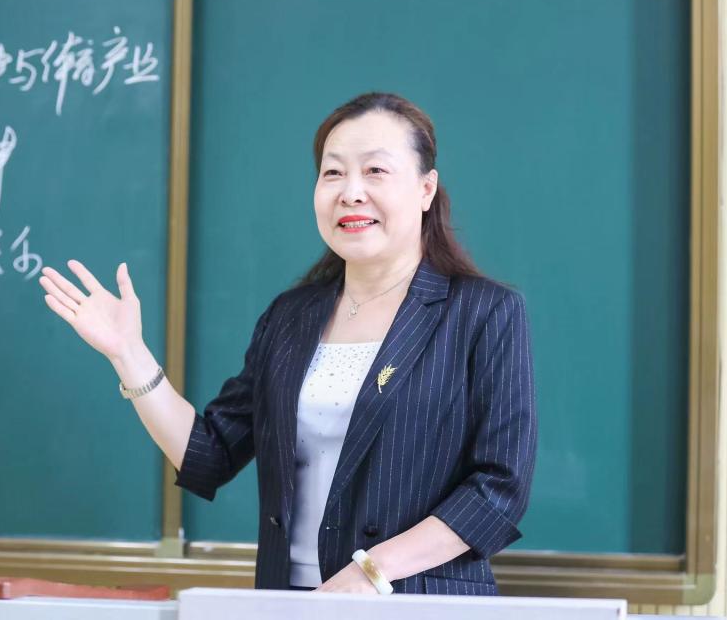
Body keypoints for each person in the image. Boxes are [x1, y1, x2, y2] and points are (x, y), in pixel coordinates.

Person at [38, 92, 537, 596]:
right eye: (333, 173)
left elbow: (499, 489)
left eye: (375, 171)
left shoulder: (483, 312)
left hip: (414, 600)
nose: (351, 193)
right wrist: (128, 353)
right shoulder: (291, 316)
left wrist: (370, 572)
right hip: (292, 600)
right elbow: (210, 453)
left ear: (426, 189)